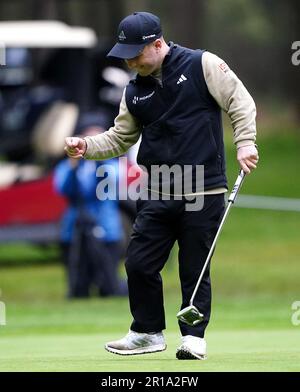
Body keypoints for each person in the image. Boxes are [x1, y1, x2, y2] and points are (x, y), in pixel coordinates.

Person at [64, 12, 259, 359]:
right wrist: (87, 146)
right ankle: (147, 331)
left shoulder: (203, 64)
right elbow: (121, 137)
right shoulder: (134, 89)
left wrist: (245, 142)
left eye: (136, 53)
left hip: (204, 189)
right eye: (126, 54)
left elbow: (239, 102)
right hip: (157, 190)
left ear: (157, 44)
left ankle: (194, 337)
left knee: (194, 268)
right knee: (138, 263)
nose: (131, 61)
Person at [55, 114, 127, 298]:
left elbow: (107, 187)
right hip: (75, 229)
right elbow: (63, 189)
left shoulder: (114, 166)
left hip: (107, 229)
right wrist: (74, 167)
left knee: (108, 285)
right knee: (79, 287)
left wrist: (99, 158)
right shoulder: (68, 166)